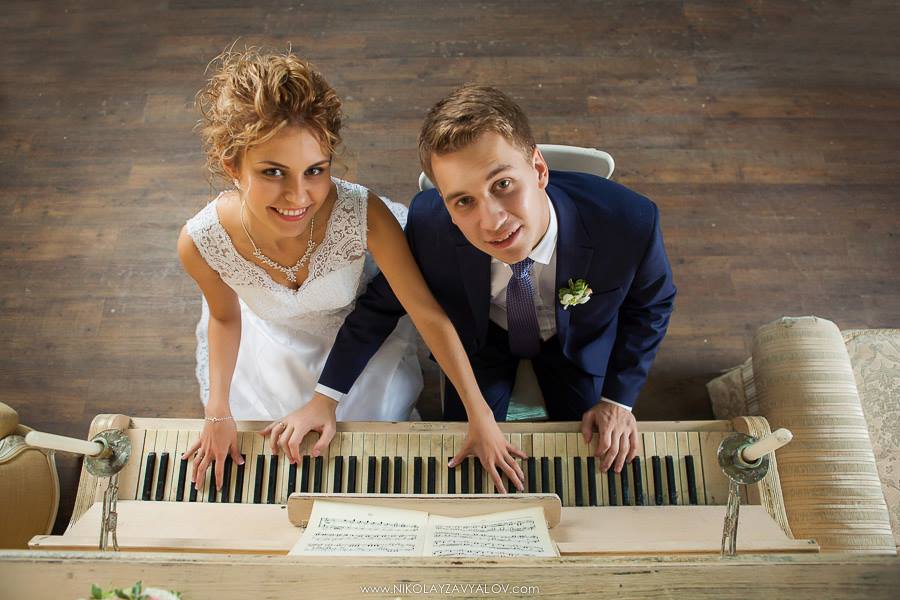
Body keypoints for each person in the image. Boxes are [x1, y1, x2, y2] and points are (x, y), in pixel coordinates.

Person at [178, 51, 526, 493]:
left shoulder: (363, 215)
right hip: (268, 349)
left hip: (361, 339)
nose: (298, 197)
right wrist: (218, 411)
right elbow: (226, 318)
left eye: (315, 170)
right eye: (272, 172)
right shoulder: (201, 241)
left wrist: (481, 415)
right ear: (233, 167)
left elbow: (425, 312)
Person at [315, 85, 676, 480]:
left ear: (538, 170)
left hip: (575, 348)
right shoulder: (430, 226)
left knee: (590, 452)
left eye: (502, 185)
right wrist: (327, 397)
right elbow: (380, 307)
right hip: (481, 344)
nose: (491, 222)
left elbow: (651, 305)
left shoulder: (628, 223)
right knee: (467, 453)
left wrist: (617, 400)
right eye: (464, 201)